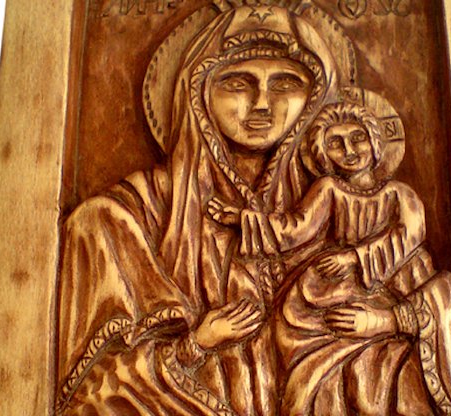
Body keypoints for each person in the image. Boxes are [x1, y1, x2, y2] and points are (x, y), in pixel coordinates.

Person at [55, 5, 346, 415]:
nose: (262, 104)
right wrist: (195, 345)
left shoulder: (333, 214)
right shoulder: (116, 220)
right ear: (199, 92)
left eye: (285, 83)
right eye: (237, 83)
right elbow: (88, 394)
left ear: (314, 101)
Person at [209, 102, 451, 415]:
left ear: (375, 142)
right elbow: (296, 228)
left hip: (396, 279)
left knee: (382, 365)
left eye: (358, 138)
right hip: (335, 288)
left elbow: (409, 235)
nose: (349, 150)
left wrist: (355, 259)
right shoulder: (328, 189)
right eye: (336, 143)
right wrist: (244, 220)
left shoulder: (400, 194)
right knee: (315, 364)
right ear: (322, 154)